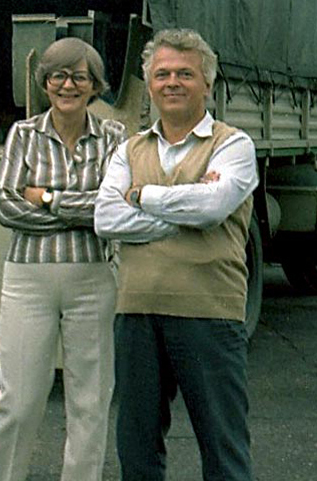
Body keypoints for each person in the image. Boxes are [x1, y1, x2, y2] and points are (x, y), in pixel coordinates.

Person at [93, 28, 258, 480]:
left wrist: (141, 195)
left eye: (185, 74)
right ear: (149, 84)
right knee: (137, 449)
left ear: (207, 83)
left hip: (209, 313)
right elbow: (106, 218)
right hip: (136, 313)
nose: (172, 83)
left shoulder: (233, 144)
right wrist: (185, 215)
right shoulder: (129, 148)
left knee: (224, 449)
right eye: (162, 74)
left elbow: (212, 207)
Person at [0, 37, 127, 481]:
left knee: (90, 401)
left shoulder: (114, 136)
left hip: (93, 281)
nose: (68, 86)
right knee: (18, 400)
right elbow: (6, 207)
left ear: (95, 85)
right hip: (27, 281)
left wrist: (46, 198)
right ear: (44, 82)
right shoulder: (23, 134)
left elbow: (110, 209)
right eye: (58, 76)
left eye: (79, 77)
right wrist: (79, 212)